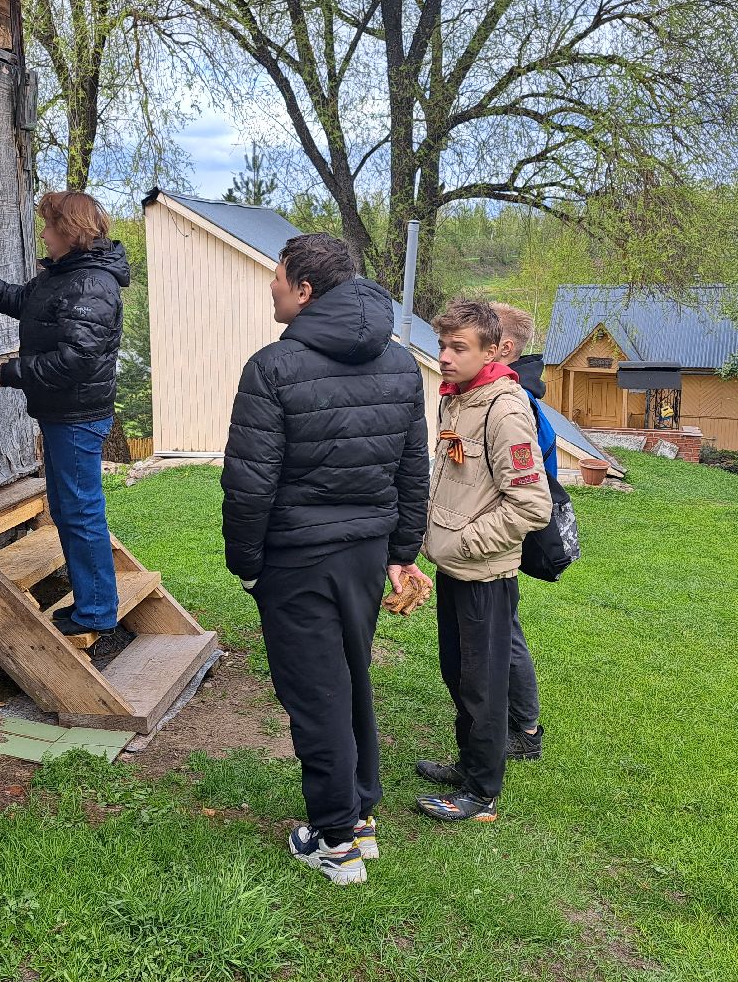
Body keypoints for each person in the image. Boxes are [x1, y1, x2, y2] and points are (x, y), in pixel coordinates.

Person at [222, 233, 430, 886]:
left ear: (305, 291)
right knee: (348, 679)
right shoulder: (400, 364)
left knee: (316, 694)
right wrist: (400, 553)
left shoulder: (272, 368)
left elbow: (249, 483)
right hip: (365, 554)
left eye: (278, 277)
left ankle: (336, 842)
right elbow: (411, 467)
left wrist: (247, 564)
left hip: (298, 559)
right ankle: (359, 815)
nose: (271, 287)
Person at [0, 191, 128, 637]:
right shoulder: (62, 276)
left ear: (69, 231)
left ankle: (97, 611)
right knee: (68, 509)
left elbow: (78, 358)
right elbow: (18, 301)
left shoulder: (91, 284)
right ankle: (91, 603)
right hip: (63, 413)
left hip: (77, 417)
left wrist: (9, 373)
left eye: (48, 225)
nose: (42, 232)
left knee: (80, 512)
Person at [415, 299, 553, 823]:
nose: (445, 357)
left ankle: (480, 794)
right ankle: (469, 764)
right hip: (454, 571)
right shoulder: (459, 400)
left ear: (495, 351)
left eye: (459, 348)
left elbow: (531, 504)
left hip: (484, 576)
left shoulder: (505, 409)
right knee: (459, 674)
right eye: (443, 345)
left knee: (483, 685)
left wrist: (466, 542)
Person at [490, 302, 546, 761]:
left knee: (505, 630)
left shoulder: (515, 399)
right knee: (505, 627)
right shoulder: (513, 389)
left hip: (502, 531)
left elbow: (530, 479)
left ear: (504, 347)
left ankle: (526, 730)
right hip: (496, 527)